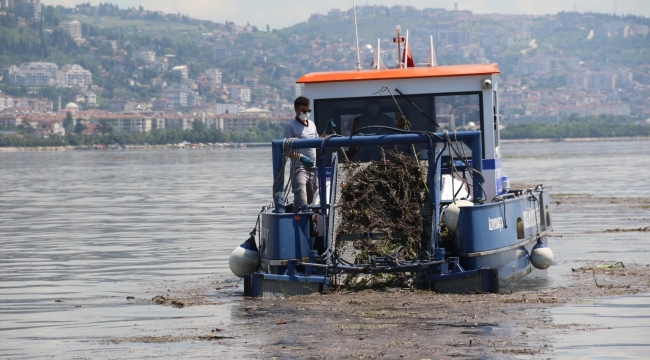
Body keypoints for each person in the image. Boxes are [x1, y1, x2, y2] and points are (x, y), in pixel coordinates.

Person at [283, 96, 335, 213]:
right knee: (301, 200)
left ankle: (313, 227)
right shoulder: (291, 127)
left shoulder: (312, 124)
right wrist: (302, 158)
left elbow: (317, 143)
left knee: (313, 202)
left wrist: (326, 132)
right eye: (304, 111)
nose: (307, 113)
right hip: (299, 168)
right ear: (296, 110)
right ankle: (298, 224)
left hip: (313, 168)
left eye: (308, 111)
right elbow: (286, 151)